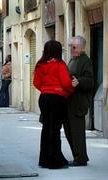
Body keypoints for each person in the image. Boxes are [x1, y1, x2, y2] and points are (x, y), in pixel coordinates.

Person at [33, 40, 74, 169]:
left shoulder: (40, 64)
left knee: (46, 128)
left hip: (44, 98)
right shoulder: (60, 64)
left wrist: (46, 90)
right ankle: (54, 161)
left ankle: (44, 160)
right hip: (57, 98)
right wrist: (68, 91)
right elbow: (66, 83)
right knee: (55, 130)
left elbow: (36, 82)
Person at [64, 36, 94, 166]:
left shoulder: (85, 60)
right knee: (69, 131)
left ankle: (81, 158)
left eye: (74, 47)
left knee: (77, 133)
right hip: (69, 101)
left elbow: (91, 81)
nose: (71, 49)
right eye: (70, 46)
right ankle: (78, 157)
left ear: (82, 48)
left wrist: (79, 82)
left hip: (78, 103)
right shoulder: (73, 59)